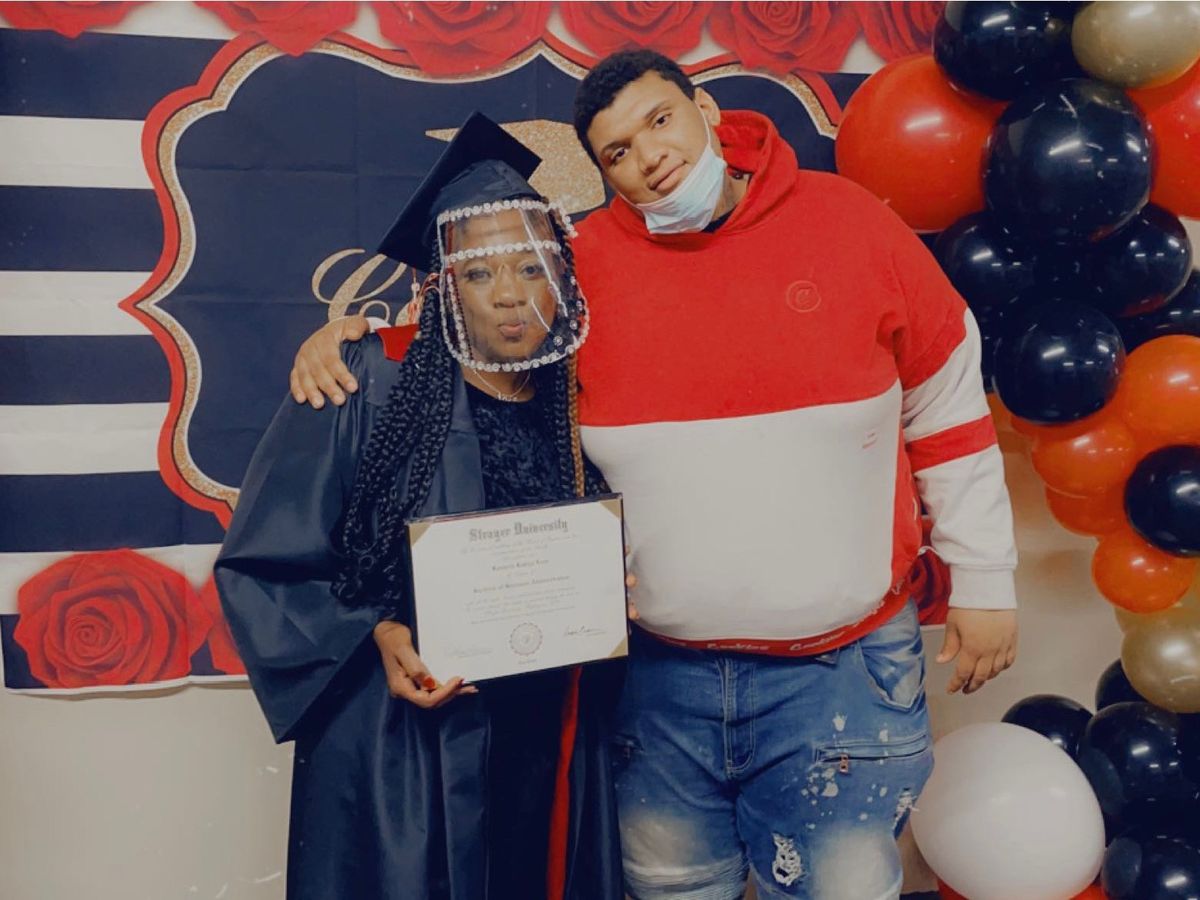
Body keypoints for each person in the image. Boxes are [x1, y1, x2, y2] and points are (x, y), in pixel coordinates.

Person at [287, 52, 1020, 900]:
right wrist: (350, 339)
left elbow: (946, 406)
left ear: (703, 107)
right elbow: (479, 334)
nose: (649, 157)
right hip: (655, 685)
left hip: (842, 672)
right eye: (617, 152)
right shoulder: (583, 269)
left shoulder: (853, 224)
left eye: (659, 121)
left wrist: (985, 579)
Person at [214, 113, 623, 900]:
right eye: (479, 273)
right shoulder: (366, 381)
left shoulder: (575, 397)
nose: (510, 295)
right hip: (406, 745)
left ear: (561, 274)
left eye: (530, 265)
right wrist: (374, 633)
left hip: (549, 734)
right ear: (441, 288)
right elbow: (265, 564)